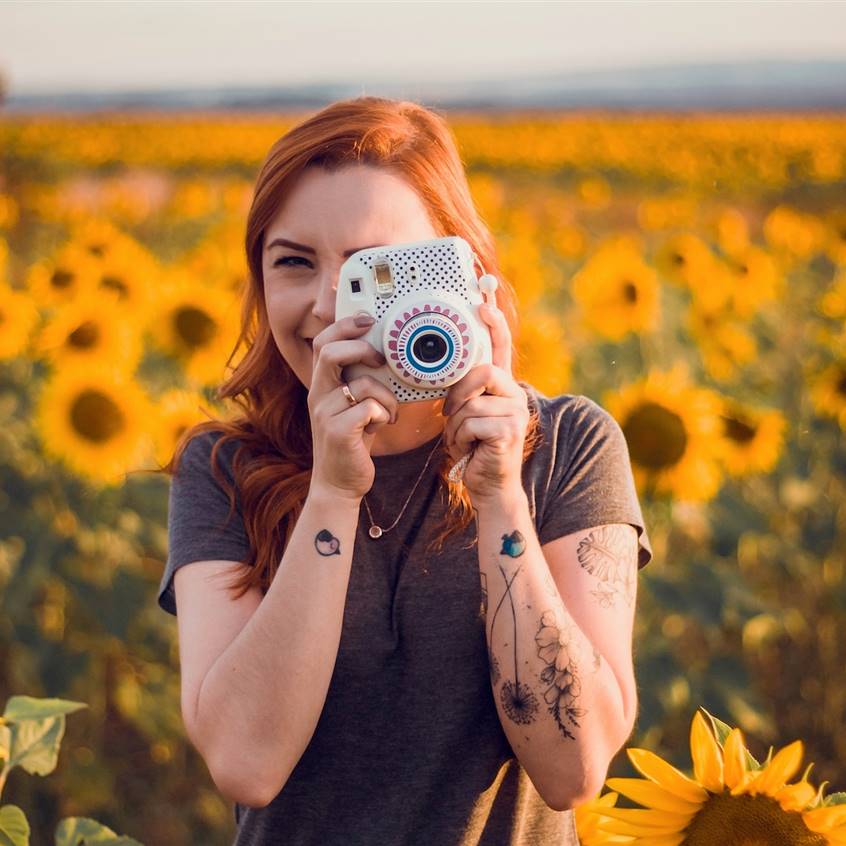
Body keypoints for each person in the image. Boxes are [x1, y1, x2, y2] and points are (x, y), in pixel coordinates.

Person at [156, 96, 653, 846]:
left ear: (465, 277)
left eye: (375, 270)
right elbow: (246, 763)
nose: (330, 306)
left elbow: (573, 769)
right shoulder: (226, 471)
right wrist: (332, 492)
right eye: (293, 262)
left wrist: (499, 499)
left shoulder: (568, 448)